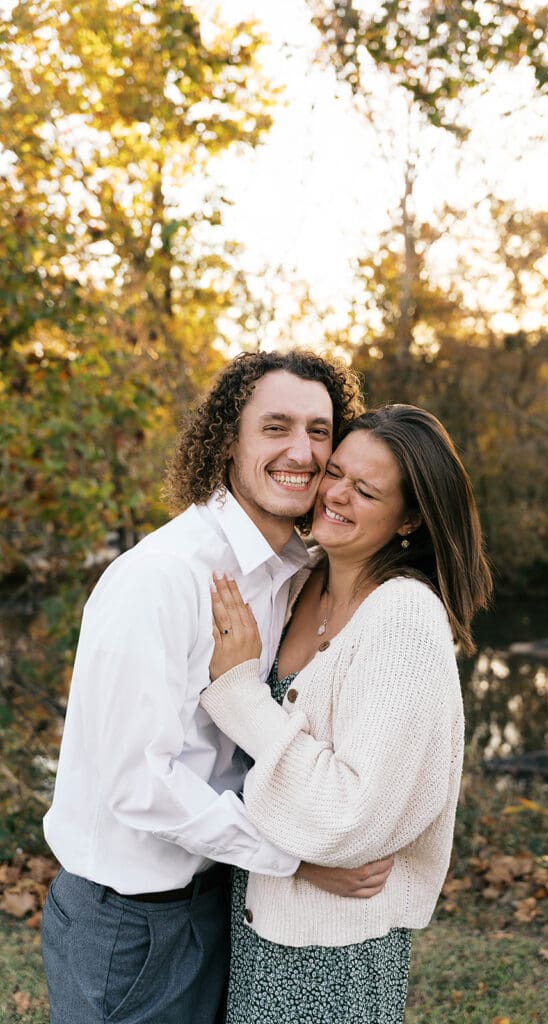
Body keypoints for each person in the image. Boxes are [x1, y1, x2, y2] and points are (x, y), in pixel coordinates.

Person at [41, 350, 394, 1024]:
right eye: (276, 427)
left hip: (216, 898)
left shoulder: (291, 571)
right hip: (130, 924)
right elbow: (138, 784)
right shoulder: (163, 578)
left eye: (319, 431)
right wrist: (293, 859)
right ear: (228, 441)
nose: (302, 450)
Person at [200, 403, 493, 1024]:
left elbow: (353, 817)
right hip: (257, 915)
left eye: (365, 490)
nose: (334, 494)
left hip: (331, 953)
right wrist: (288, 858)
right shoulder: (303, 580)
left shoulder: (404, 619)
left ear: (410, 518)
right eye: (335, 472)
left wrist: (239, 694)